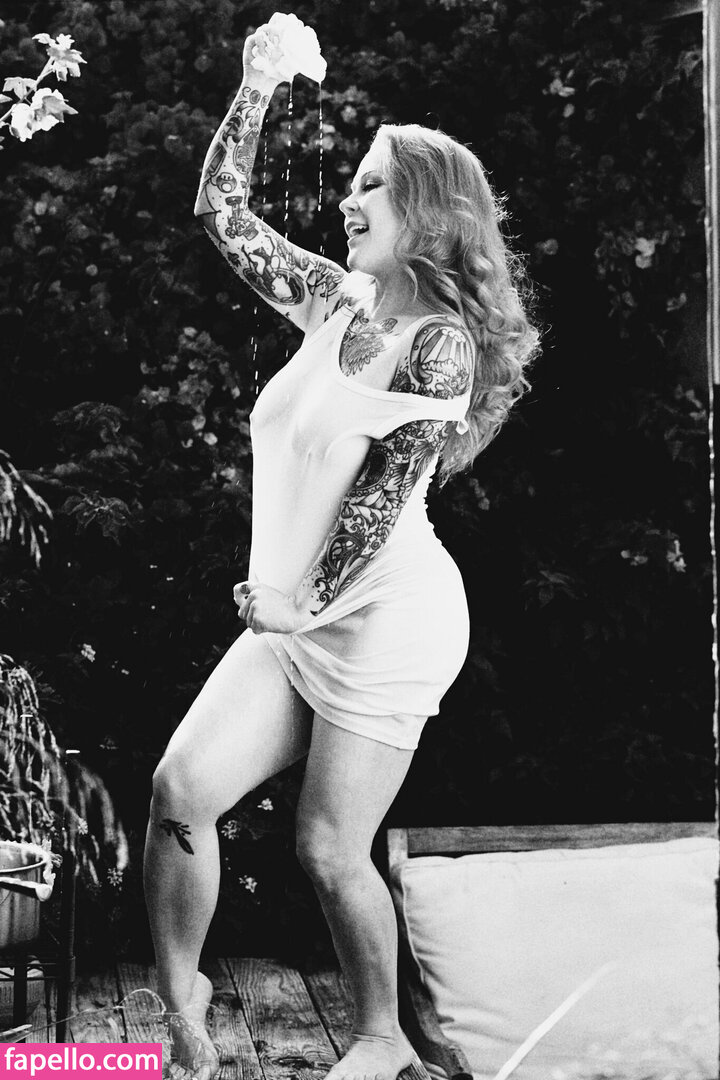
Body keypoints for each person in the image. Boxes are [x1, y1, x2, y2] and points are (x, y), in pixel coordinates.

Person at [143, 21, 539, 1080]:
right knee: (181, 789)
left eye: (372, 186)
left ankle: (381, 1038)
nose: (349, 202)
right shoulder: (334, 300)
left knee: (326, 847)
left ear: (430, 213)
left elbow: (381, 498)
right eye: (353, 184)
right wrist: (254, 85)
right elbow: (224, 214)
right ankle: (182, 1007)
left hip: (383, 616)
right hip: (295, 612)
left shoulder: (436, 347)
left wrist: (295, 602)